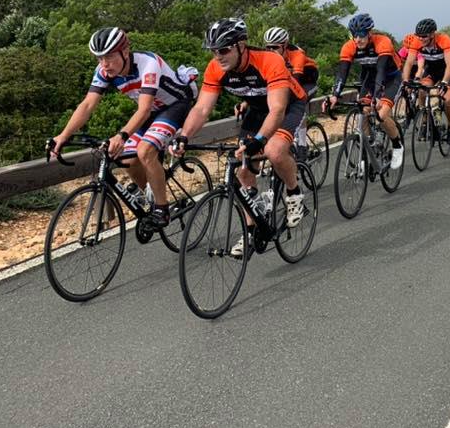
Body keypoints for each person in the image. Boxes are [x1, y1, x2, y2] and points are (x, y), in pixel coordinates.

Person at [174, 18, 308, 257]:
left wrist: (259, 140)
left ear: (241, 45)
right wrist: (184, 136)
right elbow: (202, 109)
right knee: (243, 168)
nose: (218, 56)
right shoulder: (215, 68)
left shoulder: (269, 60)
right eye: (214, 51)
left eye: (224, 50)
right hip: (257, 110)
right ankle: (250, 231)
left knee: (274, 150)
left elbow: (277, 109)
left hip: (288, 106)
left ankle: (294, 193)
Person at [51, 27, 198, 227]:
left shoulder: (148, 64)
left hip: (175, 106)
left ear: (125, 52)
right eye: (99, 58)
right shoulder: (104, 71)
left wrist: (121, 135)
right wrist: (63, 135)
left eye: (109, 56)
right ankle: (151, 192)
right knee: (127, 157)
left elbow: (144, 110)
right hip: (152, 111)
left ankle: (162, 209)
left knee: (145, 150)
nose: (104, 64)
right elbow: (87, 105)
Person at [326, 13, 405, 169]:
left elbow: (381, 71)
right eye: (354, 35)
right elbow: (342, 73)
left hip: (390, 78)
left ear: (369, 33)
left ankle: (397, 145)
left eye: (361, 34)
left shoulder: (382, 42)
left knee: (381, 115)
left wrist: (377, 96)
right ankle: (368, 146)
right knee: (362, 112)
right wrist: (335, 95)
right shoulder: (349, 46)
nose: (358, 39)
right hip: (369, 79)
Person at [261, 26, 320, 160]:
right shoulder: (269, 57)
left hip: (307, 81)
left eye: (275, 47)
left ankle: (302, 145)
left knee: (299, 101)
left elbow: (296, 82)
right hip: (288, 81)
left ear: (285, 45)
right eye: (268, 47)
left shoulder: (296, 55)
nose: (271, 51)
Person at [402, 18, 450, 145]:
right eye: (419, 36)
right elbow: (409, 63)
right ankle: (425, 119)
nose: (421, 39)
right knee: (422, 89)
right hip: (431, 70)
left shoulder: (443, 39)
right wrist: (405, 80)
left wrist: (444, 82)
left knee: (447, 99)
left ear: (433, 34)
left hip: (447, 71)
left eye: (424, 36)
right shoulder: (417, 41)